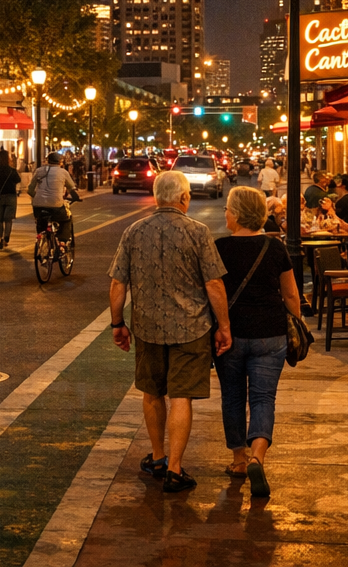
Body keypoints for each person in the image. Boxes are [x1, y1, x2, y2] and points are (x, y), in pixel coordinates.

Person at [108, 170, 232, 493]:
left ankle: (159, 456)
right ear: (184, 198)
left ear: (157, 197)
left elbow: (118, 282)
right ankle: (175, 469)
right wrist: (224, 326)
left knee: (152, 392)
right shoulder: (198, 232)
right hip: (191, 328)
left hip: (147, 327)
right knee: (181, 396)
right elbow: (214, 284)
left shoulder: (134, 232)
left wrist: (117, 323)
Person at [214, 186, 304, 498]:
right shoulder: (275, 248)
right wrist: (297, 324)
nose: (224, 213)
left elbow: (212, 291)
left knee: (233, 397)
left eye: (227, 208)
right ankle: (258, 457)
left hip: (231, 336)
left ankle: (239, 460)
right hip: (271, 334)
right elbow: (291, 294)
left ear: (237, 215)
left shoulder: (219, 248)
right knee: (264, 399)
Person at [28, 152, 80, 248]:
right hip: (56, 205)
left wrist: (37, 197)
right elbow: (71, 188)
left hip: (38, 206)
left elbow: (30, 190)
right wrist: (76, 198)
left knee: (41, 221)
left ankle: (41, 237)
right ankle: (62, 242)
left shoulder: (39, 171)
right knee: (66, 220)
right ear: (60, 162)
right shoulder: (63, 172)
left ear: (47, 161)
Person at [0, 149, 22, 250]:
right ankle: (6, 237)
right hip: (11, 196)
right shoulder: (11, 170)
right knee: (8, 219)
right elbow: (18, 180)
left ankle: (1, 238)